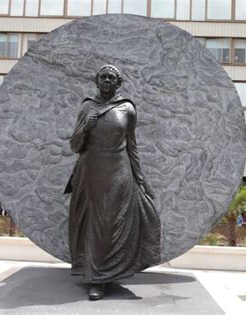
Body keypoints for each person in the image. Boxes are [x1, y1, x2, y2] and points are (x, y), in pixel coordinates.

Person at [67, 64, 160, 300]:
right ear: (96, 81)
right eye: (103, 77)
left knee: (111, 223)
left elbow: (132, 146)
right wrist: (86, 127)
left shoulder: (127, 109)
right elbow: (75, 146)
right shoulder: (87, 106)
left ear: (118, 83)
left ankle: (109, 274)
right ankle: (96, 278)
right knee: (94, 225)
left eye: (111, 77)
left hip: (119, 172)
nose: (107, 80)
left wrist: (141, 181)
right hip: (91, 173)